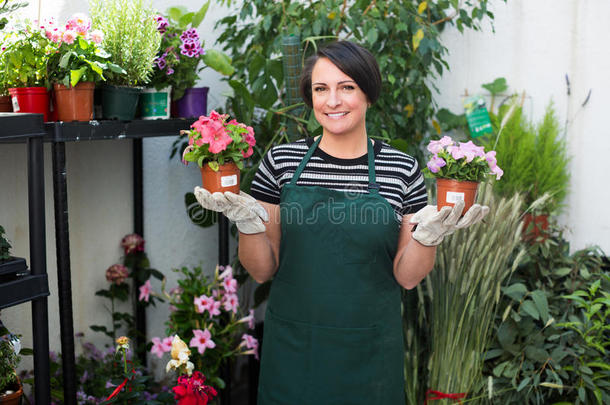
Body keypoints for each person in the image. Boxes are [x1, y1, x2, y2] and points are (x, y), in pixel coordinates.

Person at [195, 41, 489, 405]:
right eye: (321, 89)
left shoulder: (402, 170)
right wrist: (248, 226)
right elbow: (260, 270)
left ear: (368, 93)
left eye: (346, 87)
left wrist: (428, 237)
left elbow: (407, 276)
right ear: (311, 97)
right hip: (295, 352)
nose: (332, 101)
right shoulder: (282, 162)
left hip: (370, 356)